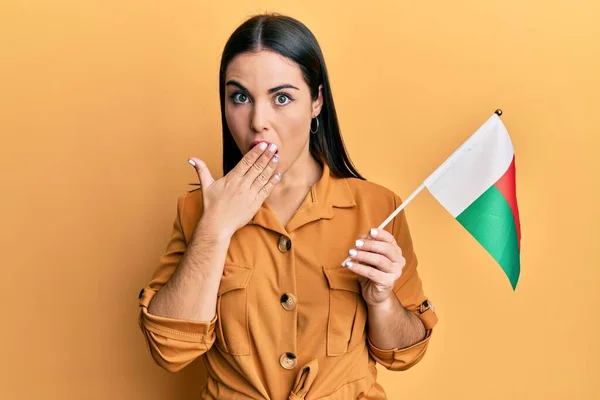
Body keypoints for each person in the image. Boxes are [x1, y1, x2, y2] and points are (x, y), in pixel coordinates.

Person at [137, 13, 438, 400]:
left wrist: (382, 300)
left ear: (316, 102)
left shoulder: (378, 207)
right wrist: (215, 228)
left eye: (282, 98)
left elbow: (406, 351)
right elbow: (170, 350)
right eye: (240, 97)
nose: (258, 121)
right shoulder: (198, 211)